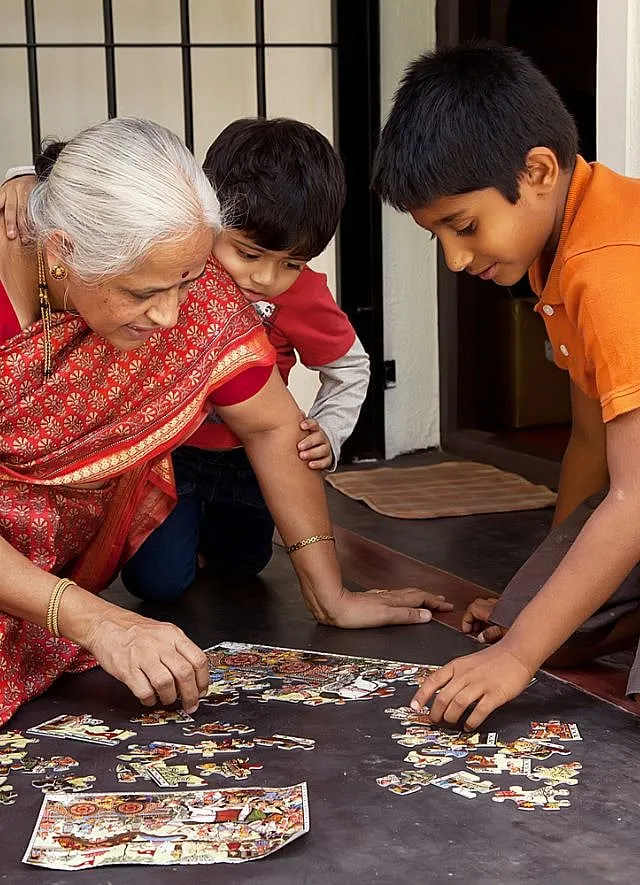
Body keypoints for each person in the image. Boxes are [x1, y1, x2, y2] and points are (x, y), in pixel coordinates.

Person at [0, 117, 450, 725]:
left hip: (51, 586)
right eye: (143, 293)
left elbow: (270, 426)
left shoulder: (195, 298)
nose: (170, 316)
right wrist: (98, 620)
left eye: (187, 282)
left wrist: (331, 594)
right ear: (61, 253)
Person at [372, 40, 640, 728]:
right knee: (530, 616)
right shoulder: (563, 251)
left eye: (464, 226)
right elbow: (588, 442)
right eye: (440, 238)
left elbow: (636, 495)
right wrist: (539, 599)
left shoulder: (608, 269)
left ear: (539, 170)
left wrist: (520, 655)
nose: (458, 258)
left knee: (527, 639)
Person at [120, 117, 370, 600]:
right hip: (174, 455)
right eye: (249, 254)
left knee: (245, 563)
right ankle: (182, 539)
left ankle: (206, 539)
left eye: (291, 263)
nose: (266, 278)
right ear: (209, 216)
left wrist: (330, 431)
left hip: (252, 460)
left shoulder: (304, 295)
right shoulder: (178, 271)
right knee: (157, 583)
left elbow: (349, 365)